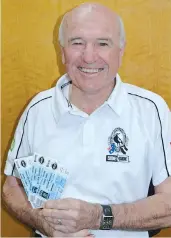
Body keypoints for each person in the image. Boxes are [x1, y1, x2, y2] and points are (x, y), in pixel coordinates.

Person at [2, 2, 171, 238]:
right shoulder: (37, 109)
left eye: (103, 43)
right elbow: (12, 187)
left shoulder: (152, 109)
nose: (89, 56)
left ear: (120, 51)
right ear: (62, 52)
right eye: (77, 43)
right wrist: (42, 223)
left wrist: (98, 216)